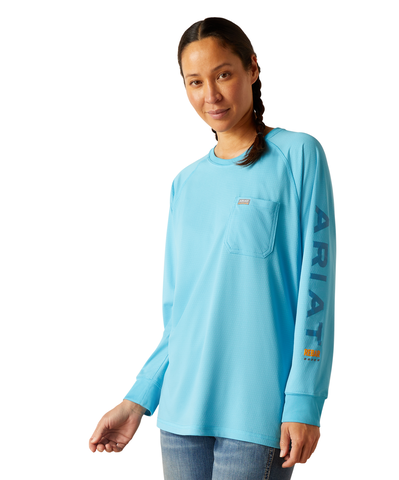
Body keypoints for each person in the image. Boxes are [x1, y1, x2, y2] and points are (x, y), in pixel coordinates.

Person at [89, 17, 336, 480]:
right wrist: (139, 398)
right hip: (180, 416)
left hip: (258, 413)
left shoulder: (298, 155)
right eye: (195, 82)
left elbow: (315, 290)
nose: (211, 95)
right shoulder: (186, 183)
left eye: (223, 74)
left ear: (252, 69)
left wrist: (304, 400)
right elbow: (180, 314)